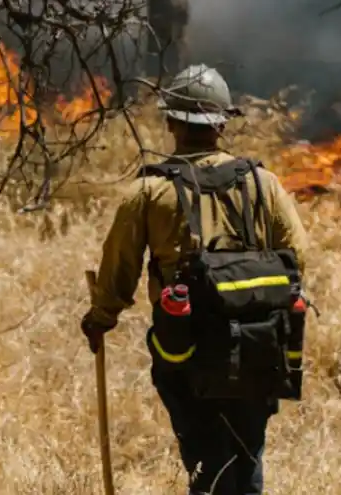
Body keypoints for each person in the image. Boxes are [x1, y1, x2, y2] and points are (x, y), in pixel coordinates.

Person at [81, 64, 310, 495]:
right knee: (247, 461)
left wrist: (100, 317)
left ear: (171, 122)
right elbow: (297, 257)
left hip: (186, 348)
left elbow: (120, 270)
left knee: (207, 463)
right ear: (223, 123)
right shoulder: (265, 184)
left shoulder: (149, 192)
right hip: (260, 344)